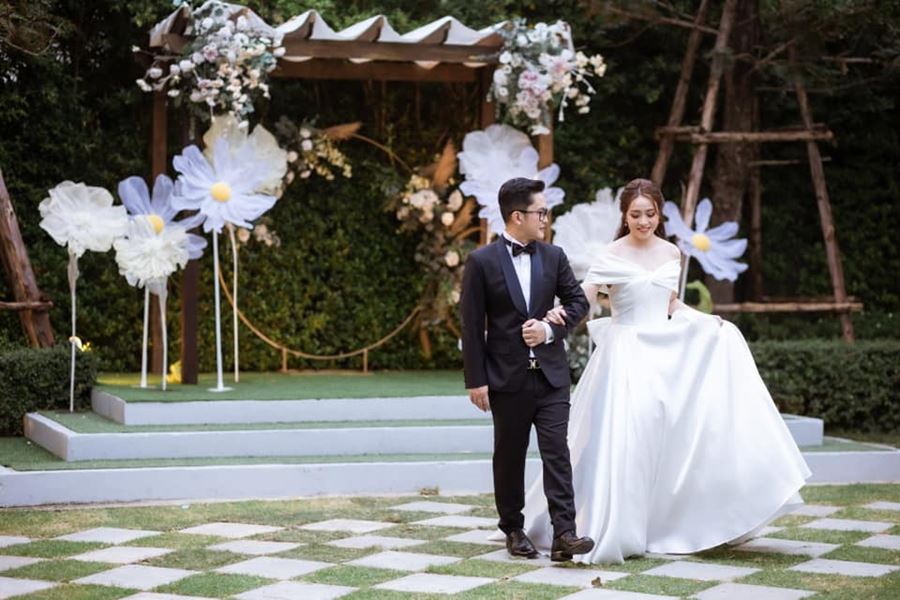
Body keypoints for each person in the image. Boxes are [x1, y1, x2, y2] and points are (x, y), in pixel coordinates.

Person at [525, 177, 811, 564]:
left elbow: (670, 302)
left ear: (659, 214)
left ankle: (666, 524)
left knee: (672, 436)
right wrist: (553, 319)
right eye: (636, 215)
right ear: (624, 216)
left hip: (665, 354)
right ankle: (607, 525)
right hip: (625, 355)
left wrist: (707, 322)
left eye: (651, 214)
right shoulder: (611, 254)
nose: (644, 221)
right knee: (627, 439)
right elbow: (583, 299)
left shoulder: (672, 252)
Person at [460, 177, 595, 561]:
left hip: (551, 377)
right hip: (507, 379)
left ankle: (565, 533)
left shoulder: (554, 256)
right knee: (509, 455)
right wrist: (476, 380)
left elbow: (578, 302)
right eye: (541, 212)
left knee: (557, 452)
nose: (546, 219)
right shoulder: (481, 262)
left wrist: (550, 329)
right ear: (517, 216)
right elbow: (471, 325)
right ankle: (513, 529)